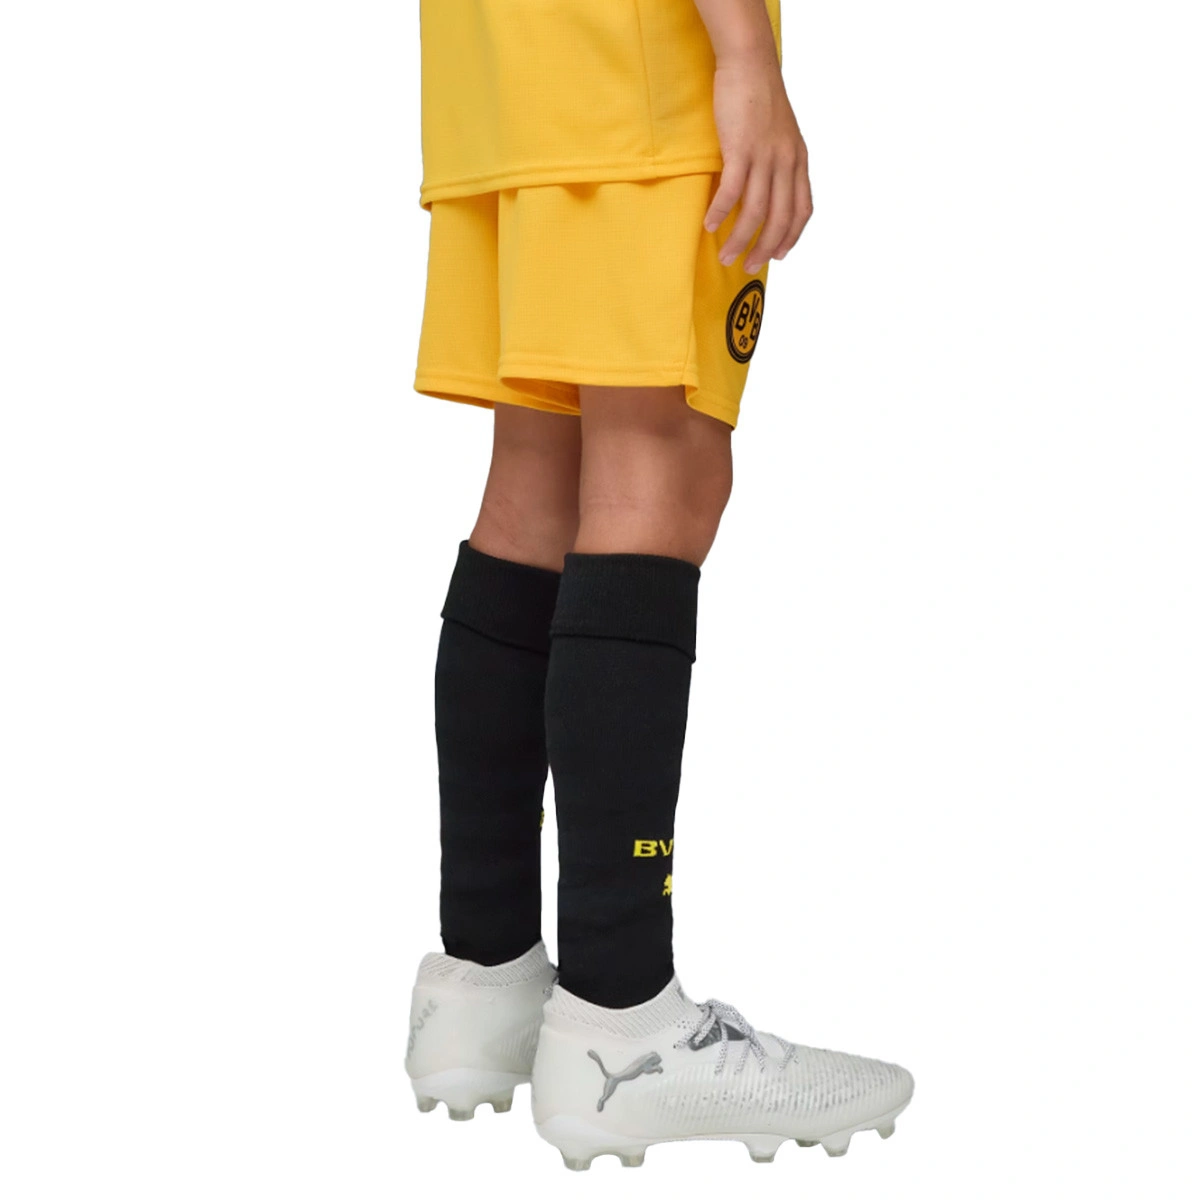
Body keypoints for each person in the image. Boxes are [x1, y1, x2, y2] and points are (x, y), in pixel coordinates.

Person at [404, 0, 913, 1169]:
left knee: (540, 483)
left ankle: (483, 982)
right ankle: (621, 1019)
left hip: (502, 71)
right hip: (632, 66)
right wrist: (744, 53)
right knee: (657, 477)